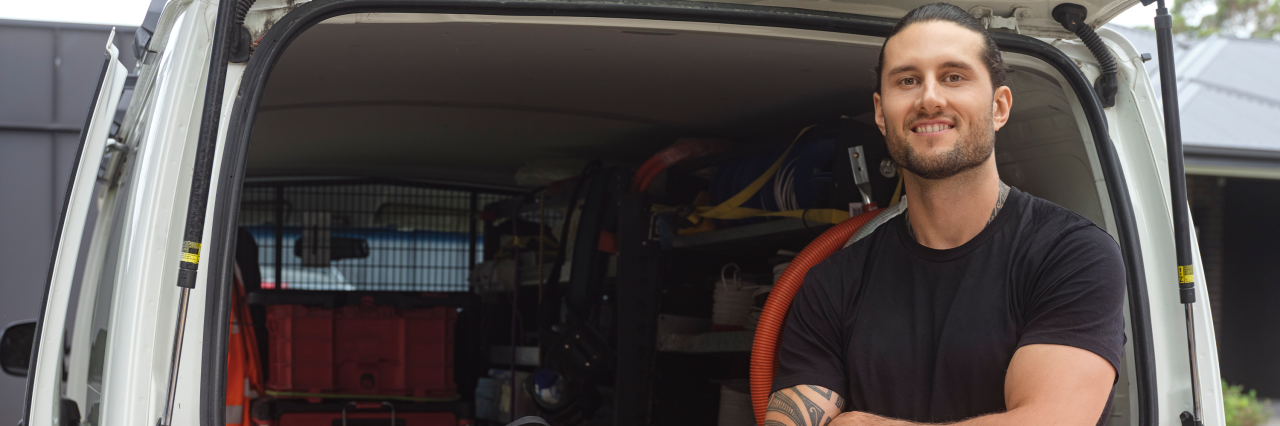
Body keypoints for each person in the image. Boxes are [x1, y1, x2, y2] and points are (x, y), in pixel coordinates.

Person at [765, 3, 1126, 426]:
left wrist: (864, 423)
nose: (929, 98)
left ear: (1000, 106)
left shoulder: (1071, 255)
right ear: (881, 113)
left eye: (954, 76)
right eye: (907, 80)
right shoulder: (834, 283)